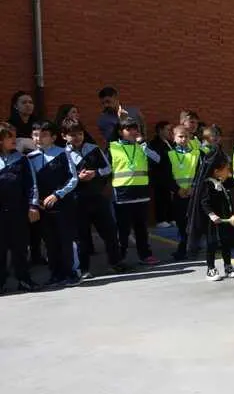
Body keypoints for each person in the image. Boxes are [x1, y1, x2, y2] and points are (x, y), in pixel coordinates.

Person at [62, 118, 128, 278]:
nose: (77, 137)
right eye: (72, 135)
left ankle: (116, 263)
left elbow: (108, 168)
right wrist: (77, 177)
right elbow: (61, 177)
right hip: (77, 200)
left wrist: (95, 173)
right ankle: (83, 269)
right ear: (64, 136)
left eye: (80, 134)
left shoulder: (93, 149)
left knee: (110, 231)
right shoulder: (62, 154)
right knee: (81, 236)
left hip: (97, 198)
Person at [28, 121, 81, 286]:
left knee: (66, 240)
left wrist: (57, 195)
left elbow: (73, 178)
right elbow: (31, 183)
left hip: (63, 205)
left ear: (53, 137)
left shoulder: (63, 154)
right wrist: (36, 203)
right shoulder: (30, 158)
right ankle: (56, 273)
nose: (39, 138)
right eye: (35, 135)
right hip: (43, 208)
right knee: (50, 242)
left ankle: (72, 272)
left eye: (43, 135)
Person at [109, 117, 161, 266]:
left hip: (142, 194)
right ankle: (120, 257)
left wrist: (143, 144)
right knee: (122, 229)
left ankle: (145, 255)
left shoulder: (143, 146)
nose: (133, 132)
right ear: (120, 132)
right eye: (128, 129)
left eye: (135, 128)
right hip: (122, 195)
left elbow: (157, 159)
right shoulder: (112, 147)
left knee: (141, 229)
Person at [0, 122, 40, 292]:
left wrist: (33, 206)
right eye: (10, 137)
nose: (15, 141)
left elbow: (32, 184)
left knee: (20, 248)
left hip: (18, 211)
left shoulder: (22, 159)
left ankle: (24, 279)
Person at [192, 150, 234, 282]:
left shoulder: (223, 182)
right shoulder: (207, 184)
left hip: (224, 218)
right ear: (216, 171)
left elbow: (232, 184)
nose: (228, 171)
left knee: (226, 242)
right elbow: (204, 202)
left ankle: (228, 265)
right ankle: (211, 268)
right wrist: (212, 215)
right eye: (226, 169)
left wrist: (228, 176)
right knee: (211, 243)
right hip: (212, 221)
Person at [9, 91, 44, 264]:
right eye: (24, 102)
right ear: (15, 105)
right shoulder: (10, 126)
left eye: (31, 102)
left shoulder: (37, 125)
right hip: (17, 178)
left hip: (38, 176)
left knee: (36, 220)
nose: (29, 105)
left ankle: (37, 255)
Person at [168, 126, 202, 261]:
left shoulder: (196, 154)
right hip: (178, 194)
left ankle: (188, 249)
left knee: (193, 223)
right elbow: (167, 175)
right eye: (180, 136)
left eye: (186, 136)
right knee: (182, 224)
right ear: (174, 137)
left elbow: (200, 173)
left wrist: (193, 187)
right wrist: (177, 189)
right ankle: (186, 247)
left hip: (193, 194)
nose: (183, 139)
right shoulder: (169, 154)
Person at [147, 121, 174, 228]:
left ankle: (170, 217)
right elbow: (157, 159)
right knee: (161, 198)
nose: (169, 132)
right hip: (159, 176)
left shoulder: (170, 143)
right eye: (167, 129)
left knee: (169, 198)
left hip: (169, 175)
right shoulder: (154, 143)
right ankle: (161, 219)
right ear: (160, 130)